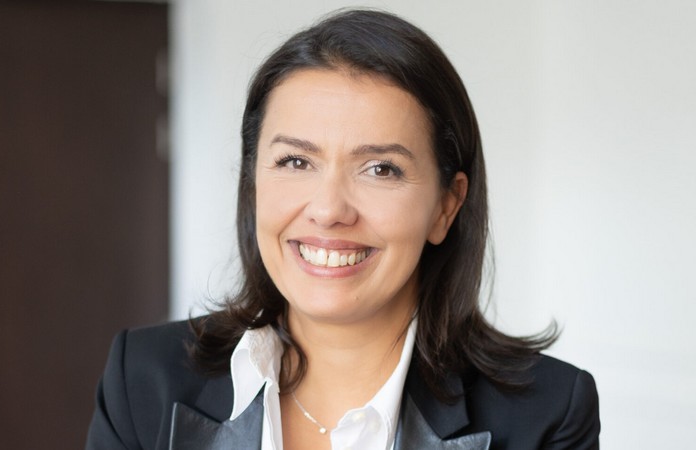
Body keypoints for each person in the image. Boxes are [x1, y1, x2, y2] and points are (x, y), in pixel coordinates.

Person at [86, 9, 600, 450]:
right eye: (295, 161)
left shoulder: (548, 414)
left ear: (446, 206)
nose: (329, 209)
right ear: (253, 182)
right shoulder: (143, 380)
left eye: (381, 169)